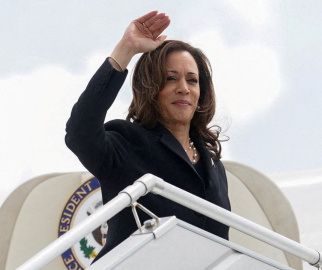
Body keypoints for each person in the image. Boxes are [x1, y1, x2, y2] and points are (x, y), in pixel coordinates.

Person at [65, 11, 231, 262]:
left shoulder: (213, 165)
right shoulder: (126, 143)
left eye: (192, 80)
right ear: (150, 89)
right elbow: (80, 133)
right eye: (170, 78)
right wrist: (126, 49)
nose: (183, 88)